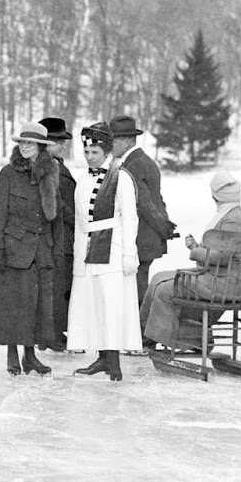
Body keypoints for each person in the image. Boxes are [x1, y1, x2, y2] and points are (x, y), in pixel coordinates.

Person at [141, 168, 241, 352]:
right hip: (218, 278)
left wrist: (196, 251)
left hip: (223, 284)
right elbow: (220, 252)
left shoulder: (232, 220)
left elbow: (222, 257)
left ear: (216, 196)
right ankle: (146, 333)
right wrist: (196, 247)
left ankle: (188, 338)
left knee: (164, 290)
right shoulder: (230, 214)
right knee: (158, 278)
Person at [68, 123, 141, 380]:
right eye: (86, 153)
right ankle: (101, 358)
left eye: (95, 153)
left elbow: (130, 218)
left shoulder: (121, 178)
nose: (89, 157)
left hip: (112, 249)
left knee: (112, 304)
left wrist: (129, 254)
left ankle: (114, 361)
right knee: (94, 304)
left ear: (107, 151)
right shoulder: (83, 179)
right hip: (88, 248)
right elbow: (79, 220)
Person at [0, 122, 59, 375]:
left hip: (41, 248)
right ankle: (12, 354)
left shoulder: (50, 171)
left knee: (36, 305)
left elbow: (56, 214)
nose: (25, 147)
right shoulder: (8, 173)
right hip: (14, 247)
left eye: (31, 143)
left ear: (40, 146)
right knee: (12, 303)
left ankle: (30, 355)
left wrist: (56, 249)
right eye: (22, 142)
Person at [107, 114, 173, 344]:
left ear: (126, 141)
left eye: (113, 141)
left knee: (138, 286)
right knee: (138, 284)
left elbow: (145, 204)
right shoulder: (140, 161)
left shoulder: (134, 166)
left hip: (142, 237)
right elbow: (156, 200)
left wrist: (163, 228)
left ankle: (143, 334)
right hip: (147, 235)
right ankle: (141, 332)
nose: (109, 146)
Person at [38, 116, 78, 350]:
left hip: (64, 234)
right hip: (58, 234)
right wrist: (77, 222)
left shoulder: (56, 165)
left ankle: (53, 331)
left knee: (59, 284)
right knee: (55, 285)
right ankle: (50, 333)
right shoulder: (47, 167)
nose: (63, 144)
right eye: (58, 140)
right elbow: (58, 203)